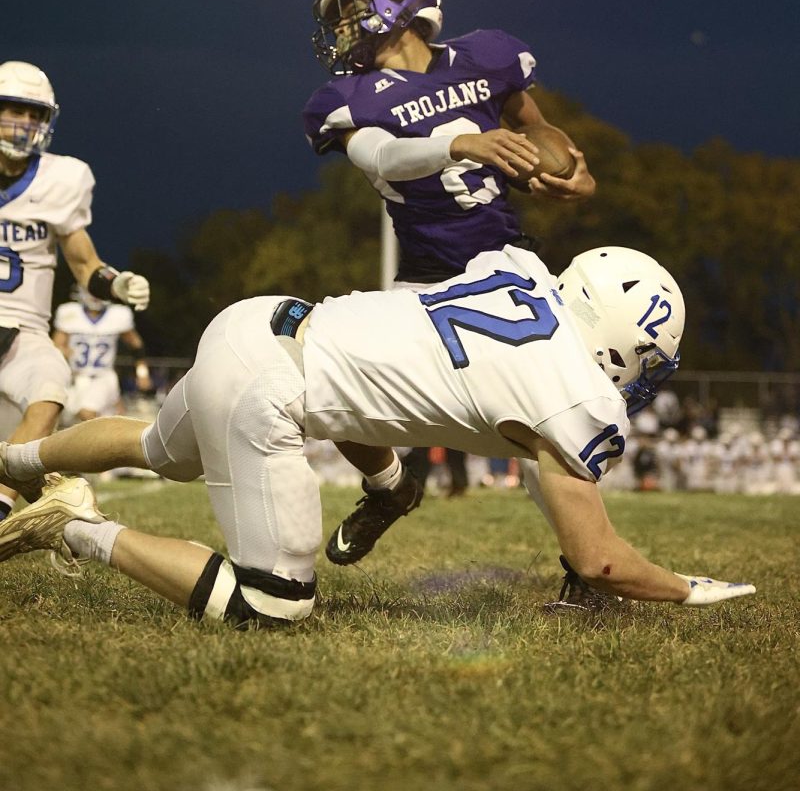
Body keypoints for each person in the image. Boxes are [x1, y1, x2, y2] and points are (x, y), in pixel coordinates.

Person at [0, 243, 755, 626]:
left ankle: (12, 457)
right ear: (624, 347)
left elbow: (378, 384)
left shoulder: (514, 274)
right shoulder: (572, 392)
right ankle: (73, 525)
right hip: (269, 386)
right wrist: (685, 589)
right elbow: (600, 563)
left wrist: (390, 483)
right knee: (273, 605)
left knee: (158, 451)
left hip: (263, 318)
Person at [302, 0, 596, 582]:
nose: (342, 26)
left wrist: (571, 170)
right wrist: (459, 142)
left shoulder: (486, 56)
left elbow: (542, 132)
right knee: (314, 378)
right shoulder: (353, 96)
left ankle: (586, 568)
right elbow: (380, 157)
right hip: (425, 280)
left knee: (553, 425)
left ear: (394, 2)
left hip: (508, 273)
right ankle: (389, 486)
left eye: (351, 9)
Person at [0, 61, 150, 520]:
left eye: (35, 114)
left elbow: (83, 262)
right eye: (16, 110)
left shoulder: (61, 179)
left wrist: (115, 282)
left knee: (50, 385)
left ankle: (1, 505)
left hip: (22, 332)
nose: (26, 123)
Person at [52, 285, 150, 425]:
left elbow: (135, 344)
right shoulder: (69, 312)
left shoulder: (118, 315)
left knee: (87, 413)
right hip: (76, 378)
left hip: (104, 377)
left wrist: (142, 373)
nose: (95, 296)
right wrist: (62, 351)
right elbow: (57, 345)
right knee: (67, 421)